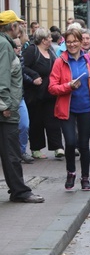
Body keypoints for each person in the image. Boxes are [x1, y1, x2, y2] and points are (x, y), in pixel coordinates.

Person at [0, 11, 44, 203]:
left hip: (6, 106)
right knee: (12, 153)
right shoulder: (4, 45)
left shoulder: (5, 44)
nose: (21, 27)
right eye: (18, 24)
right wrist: (5, 106)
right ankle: (20, 191)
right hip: (6, 109)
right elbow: (3, 78)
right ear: (12, 27)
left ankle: (19, 190)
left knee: (11, 152)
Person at [48, 28, 90, 191]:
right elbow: (52, 87)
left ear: (80, 42)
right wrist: (68, 86)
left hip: (86, 107)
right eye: (68, 42)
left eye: (75, 41)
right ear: (65, 43)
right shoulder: (60, 61)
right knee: (70, 143)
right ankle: (71, 172)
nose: (72, 44)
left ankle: (85, 178)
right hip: (67, 108)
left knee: (84, 144)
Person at [23, 27, 63, 159]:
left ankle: (57, 147)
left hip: (50, 92)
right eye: (49, 38)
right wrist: (34, 76)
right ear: (43, 39)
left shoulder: (51, 51)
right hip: (35, 94)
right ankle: (36, 148)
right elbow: (22, 67)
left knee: (53, 120)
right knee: (36, 121)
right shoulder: (32, 50)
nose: (51, 40)